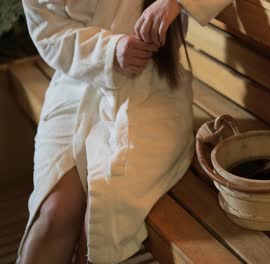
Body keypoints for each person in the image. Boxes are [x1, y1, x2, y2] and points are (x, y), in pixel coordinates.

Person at [16, 0, 232, 263]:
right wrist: (109, 51)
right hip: (75, 84)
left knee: (100, 220)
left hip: (152, 88)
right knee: (54, 213)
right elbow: (48, 33)